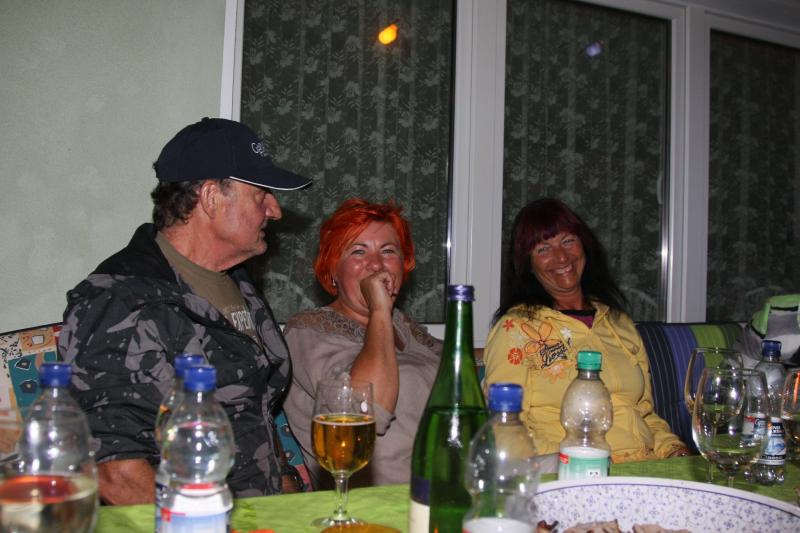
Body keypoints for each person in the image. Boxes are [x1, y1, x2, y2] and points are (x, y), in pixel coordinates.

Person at [57, 117, 311, 504]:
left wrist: (288, 491)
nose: (274, 210)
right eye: (261, 194)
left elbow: (252, 406)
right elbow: (116, 473)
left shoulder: (237, 281)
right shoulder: (120, 300)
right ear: (210, 198)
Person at [483, 198, 689, 463]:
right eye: (543, 249)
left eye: (568, 241)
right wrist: (577, 460)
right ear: (527, 264)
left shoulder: (618, 321)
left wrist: (672, 448)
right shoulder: (515, 329)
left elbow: (643, 413)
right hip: (573, 472)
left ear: (585, 245)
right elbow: (504, 427)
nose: (562, 257)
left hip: (644, 464)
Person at [283, 199, 442, 487]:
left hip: (448, 486)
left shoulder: (404, 326)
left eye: (388, 251)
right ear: (333, 269)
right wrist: (379, 308)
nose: (376, 264)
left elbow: (456, 369)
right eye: (358, 251)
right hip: (376, 499)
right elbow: (367, 411)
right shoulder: (307, 330)